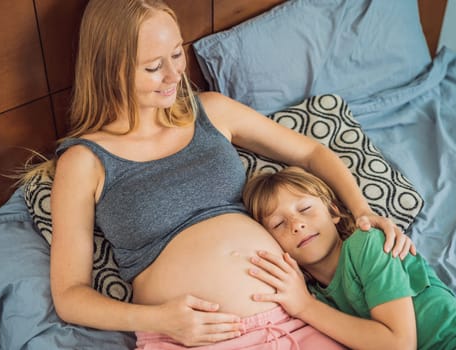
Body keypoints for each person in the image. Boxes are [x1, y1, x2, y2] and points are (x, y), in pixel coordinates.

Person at [25, 0, 414, 349]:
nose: (173, 74)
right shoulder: (84, 161)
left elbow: (311, 151)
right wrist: (158, 319)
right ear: (109, 69)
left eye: (177, 54)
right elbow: (70, 295)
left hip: (296, 317)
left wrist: (363, 211)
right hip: (192, 339)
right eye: (152, 66)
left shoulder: (210, 111)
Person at [242, 166, 456, 350]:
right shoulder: (312, 295)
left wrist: (304, 307)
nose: (297, 225)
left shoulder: (365, 243)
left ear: (334, 212)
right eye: (278, 224)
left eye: (305, 209)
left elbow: (399, 344)